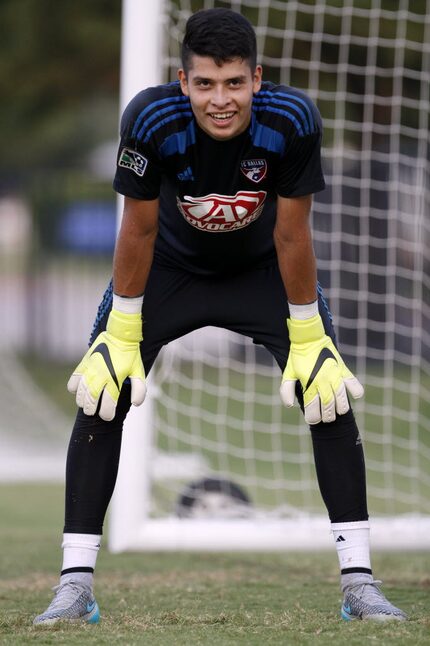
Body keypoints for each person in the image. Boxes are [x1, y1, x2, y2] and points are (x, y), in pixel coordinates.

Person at [34, 8, 407, 626]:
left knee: (329, 393)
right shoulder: (152, 118)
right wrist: (122, 328)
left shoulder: (291, 120)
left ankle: (360, 583)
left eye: (233, 82)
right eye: (205, 83)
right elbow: (139, 227)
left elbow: (293, 236)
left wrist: (310, 331)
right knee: (104, 393)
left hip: (261, 271)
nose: (221, 99)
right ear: (183, 83)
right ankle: (74, 587)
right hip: (169, 271)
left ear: (256, 78)